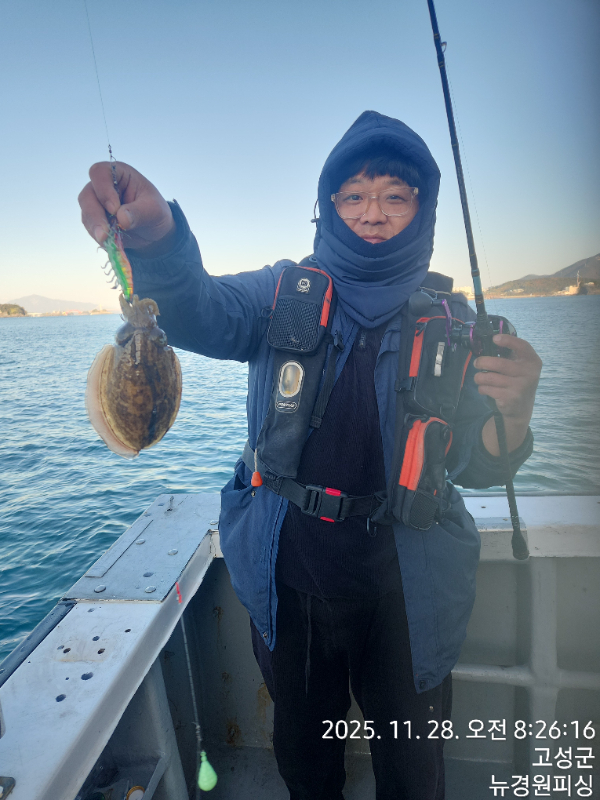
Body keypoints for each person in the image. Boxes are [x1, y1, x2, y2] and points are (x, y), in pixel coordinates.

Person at [79, 110, 542, 800]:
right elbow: (200, 309)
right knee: (304, 758)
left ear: (423, 209)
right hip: (290, 579)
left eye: (395, 195)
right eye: (353, 196)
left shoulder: (457, 325)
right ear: (327, 206)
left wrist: (516, 413)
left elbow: (475, 466)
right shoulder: (280, 293)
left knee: (414, 770)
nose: (372, 213)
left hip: (408, 593)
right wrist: (160, 241)